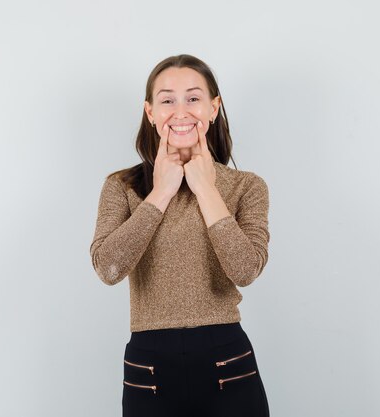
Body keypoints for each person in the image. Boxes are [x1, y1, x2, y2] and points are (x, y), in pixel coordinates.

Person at [89, 54, 271, 417]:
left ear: (213, 107)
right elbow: (108, 268)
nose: (181, 110)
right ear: (150, 112)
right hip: (150, 367)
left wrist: (206, 189)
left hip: (227, 362)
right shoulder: (121, 187)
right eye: (167, 99)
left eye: (193, 97)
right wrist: (160, 194)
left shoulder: (245, 187)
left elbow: (246, 270)